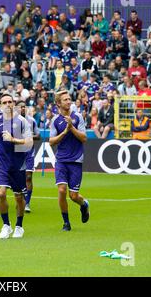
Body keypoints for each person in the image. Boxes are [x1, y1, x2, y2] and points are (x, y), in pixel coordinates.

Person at [0, 94, 33, 239]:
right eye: (4, 102)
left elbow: (29, 142)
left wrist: (13, 140)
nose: (8, 104)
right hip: (1, 163)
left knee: (19, 197)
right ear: (0, 105)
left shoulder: (22, 121)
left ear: (13, 104)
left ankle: (19, 226)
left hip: (18, 165)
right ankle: (6, 225)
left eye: (10, 102)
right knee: (1, 193)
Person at [49, 90, 90, 231]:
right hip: (61, 160)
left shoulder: (77, 117)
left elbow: (84, 138)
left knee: (73, 196)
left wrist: (71, 127)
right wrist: (64, 132)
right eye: (65, 99)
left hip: (76, 160)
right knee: (61, 190)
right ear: (58, 103)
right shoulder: (55, 120)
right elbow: (51, 141)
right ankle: (66, 223)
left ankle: (84, 205)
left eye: (69, 99)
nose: (68, 101)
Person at [15, 101, 40, 213]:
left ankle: (27, 203)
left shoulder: (32, 120)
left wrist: (29, 137)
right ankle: (20, 199)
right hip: (17, 152)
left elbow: (38, 135)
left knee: (28, 176)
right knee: (19, 178)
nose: (22, 109)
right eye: (20, 107)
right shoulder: (13, 121)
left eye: (24, 107)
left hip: (29, 151)